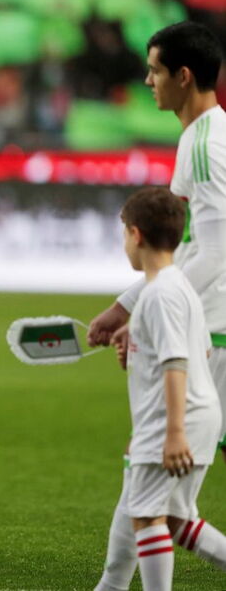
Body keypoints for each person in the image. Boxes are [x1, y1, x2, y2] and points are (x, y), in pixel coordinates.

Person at [88, 21, 226, 590]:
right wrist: (130, 306)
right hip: (203, 324)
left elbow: (213, 248)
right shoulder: (199, 136)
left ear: (183, 76)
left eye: (155, 70)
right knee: (154, 491)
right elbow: (191, 245)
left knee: (156, 488)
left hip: (213, 334)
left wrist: (143, 309)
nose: (148, 81)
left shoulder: (207, 144)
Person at [95, 187, 225, 591]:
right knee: (176, 519)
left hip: (176, 419)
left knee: (147, 517)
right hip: (200, 413)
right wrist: (138, 346)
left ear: (136, 235)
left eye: (124, 234)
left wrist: (174, 433)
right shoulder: (180, 287)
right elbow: (200, 349)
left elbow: (176, 362)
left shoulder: (159, 295)